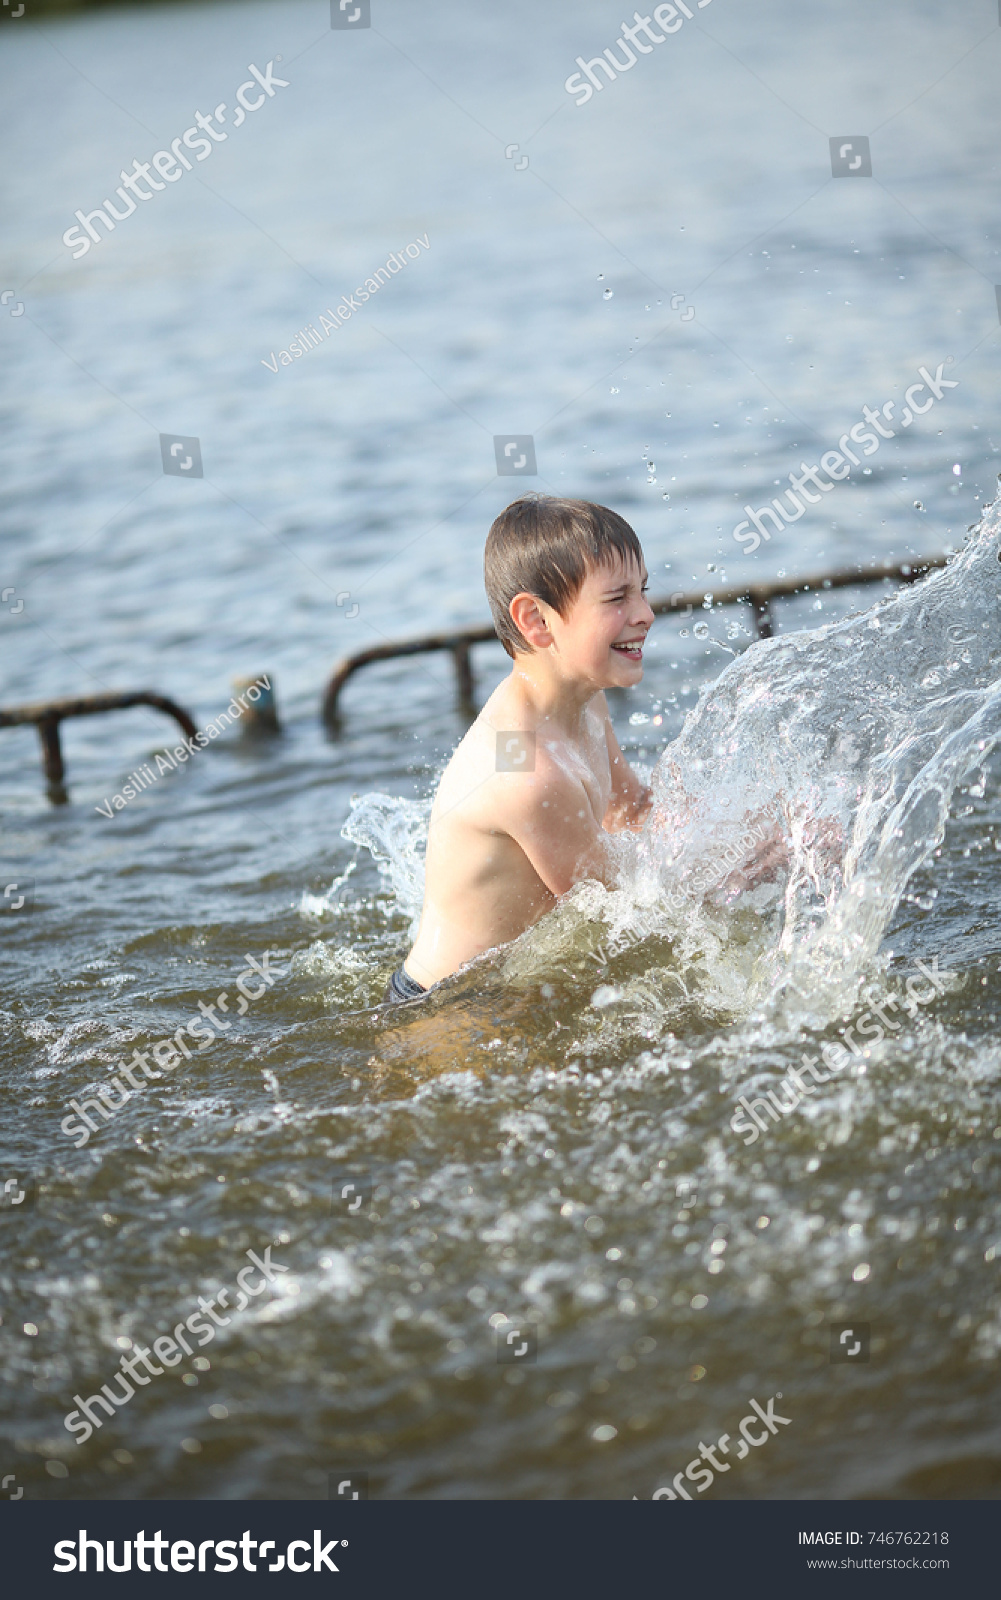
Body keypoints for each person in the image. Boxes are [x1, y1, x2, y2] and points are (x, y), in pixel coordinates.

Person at [385, 495, 656, 1003]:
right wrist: (750, 863)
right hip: (449, 1007)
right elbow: (630, 908)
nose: (646, 613)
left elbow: (633, 811)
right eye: (618, 598)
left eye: (644, 591)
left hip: (506, 986)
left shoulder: (585, 701)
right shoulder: (527, 773)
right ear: (536, 620)